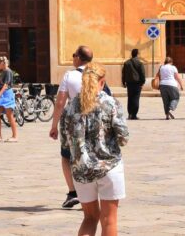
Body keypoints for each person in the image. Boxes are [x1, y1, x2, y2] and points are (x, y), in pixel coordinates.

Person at [60, 63, 128, 236]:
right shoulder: (111, 103)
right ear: (102, 82)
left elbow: (65, 143)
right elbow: (123, 137)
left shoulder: (70, 107)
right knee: (109, 220)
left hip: (81, 169)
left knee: (90, 218)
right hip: (109, 166)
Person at [51, 45, 94, 209]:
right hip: (94, 121)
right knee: (91, 154)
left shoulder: (69, 75)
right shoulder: (98, 74)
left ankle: (73, 192)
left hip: (73, 122)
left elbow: (60, 102)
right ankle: (91, 194)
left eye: (73, 55)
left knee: (67, 156)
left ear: (78, 58)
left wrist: (54, 126)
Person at [0, 56, 19, 143]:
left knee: (9, 116)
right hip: (3, 95)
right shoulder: (3, 72)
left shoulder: (8, 71)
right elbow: (0, 81)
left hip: (7, 95)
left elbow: (6, 85)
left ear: (2, 63)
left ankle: (15, 136)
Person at [120, 49, 146, 120]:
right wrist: (143, 82)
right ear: (137, 54)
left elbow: (123, 73)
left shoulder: (126, 63)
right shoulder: (140, 63)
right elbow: (142, 73)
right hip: (137, 83)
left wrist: (123, 82)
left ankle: (130, 113)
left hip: (129, 83)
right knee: (136, 98)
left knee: (130, 98)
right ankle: (134, 114)